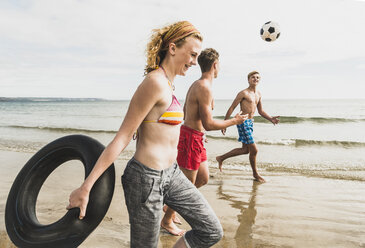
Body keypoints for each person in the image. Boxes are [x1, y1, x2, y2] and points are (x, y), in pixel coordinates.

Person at [67, 21, 223, 248]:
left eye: (197, 57)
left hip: (172, 174)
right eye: (191, 55)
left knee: (210, 230)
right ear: (172, 48)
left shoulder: (170, 84)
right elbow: (122, 136)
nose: (193, 62)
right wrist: (86, 187)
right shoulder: (154, 82)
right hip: (146, 179)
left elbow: (161, 125)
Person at [161, 48, 248, 235]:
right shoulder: (204, 87)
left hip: (196, 137)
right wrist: (234, 120)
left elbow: (187, 112)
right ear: (215, 65)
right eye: (219, 65)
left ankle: (169, 207)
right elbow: (208, 123)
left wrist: (200, 132)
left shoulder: (198, 84)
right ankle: (167, 221)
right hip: (191, 138)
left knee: (202, 178)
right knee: (186, 184)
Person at [216, 71, 280, 183]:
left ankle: (221, 158)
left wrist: (271, 119)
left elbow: (260, 111)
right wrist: (225, 123)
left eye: (257, 77)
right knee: (254, 150)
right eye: (253, 77)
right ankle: (255, 174)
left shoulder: (258, 94)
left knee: (245, 150)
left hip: (251, 122)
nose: (255, 79)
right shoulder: (243, 93)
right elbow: (232, 108)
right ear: (248, 80)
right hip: (243, 122)